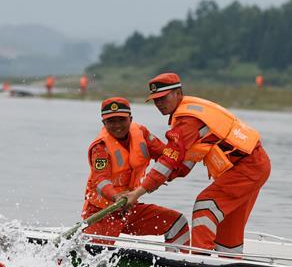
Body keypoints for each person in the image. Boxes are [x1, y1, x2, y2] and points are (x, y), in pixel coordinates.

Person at [116, 73, 271, 254]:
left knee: (205, 206)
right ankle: (229, 266)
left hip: (247, 167)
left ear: (178, 93)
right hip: (252, 165)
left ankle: (200, 261)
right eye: (155, 100)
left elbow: (168, 161)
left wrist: (138, 192)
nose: (159, 104)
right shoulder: (190, 113)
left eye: (163, 98)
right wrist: (163, 174)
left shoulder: (187, 122)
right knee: (228, 226)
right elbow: (182, 165)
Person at [83, 97, 189, 248]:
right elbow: (100, 180)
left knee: (178, 223)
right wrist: (116, 196)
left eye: (121, 120)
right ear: (104, 123)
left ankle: (180, 265)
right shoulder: (100, 147)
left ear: (130, 119)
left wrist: (168, 172)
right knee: (96, 255)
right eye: (111, 121)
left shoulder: (142, 133)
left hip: (129, 209)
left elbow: (165, 156)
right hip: (102, 213)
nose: (117, 125)